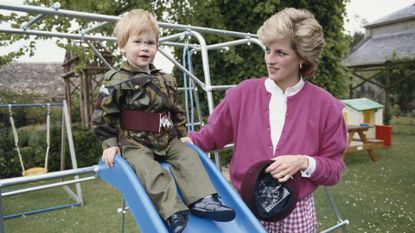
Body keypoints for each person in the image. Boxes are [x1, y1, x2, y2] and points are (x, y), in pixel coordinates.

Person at [182, 8, 347, 233]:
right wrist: (172, 143)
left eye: (280, 52)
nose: (270, 59)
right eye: (268, 50)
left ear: (302, 57)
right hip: (245, 208)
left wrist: (302, 161)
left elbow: (334, 169)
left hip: (296, 213)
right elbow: (208, 138)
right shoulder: (241, 94)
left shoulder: (327, 106)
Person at [92, 9, 235, 233]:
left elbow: (175, 111)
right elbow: (103, 116)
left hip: (166, 138)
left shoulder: (165, 79)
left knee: (189, 155)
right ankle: (173, 212)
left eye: (150, 42)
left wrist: (181, 134)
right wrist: (110, 145)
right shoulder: (116, 79)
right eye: (137, 41)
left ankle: (203, 200)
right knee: (148, 169)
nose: (144, 47)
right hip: (134, 142)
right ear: (122, 45)